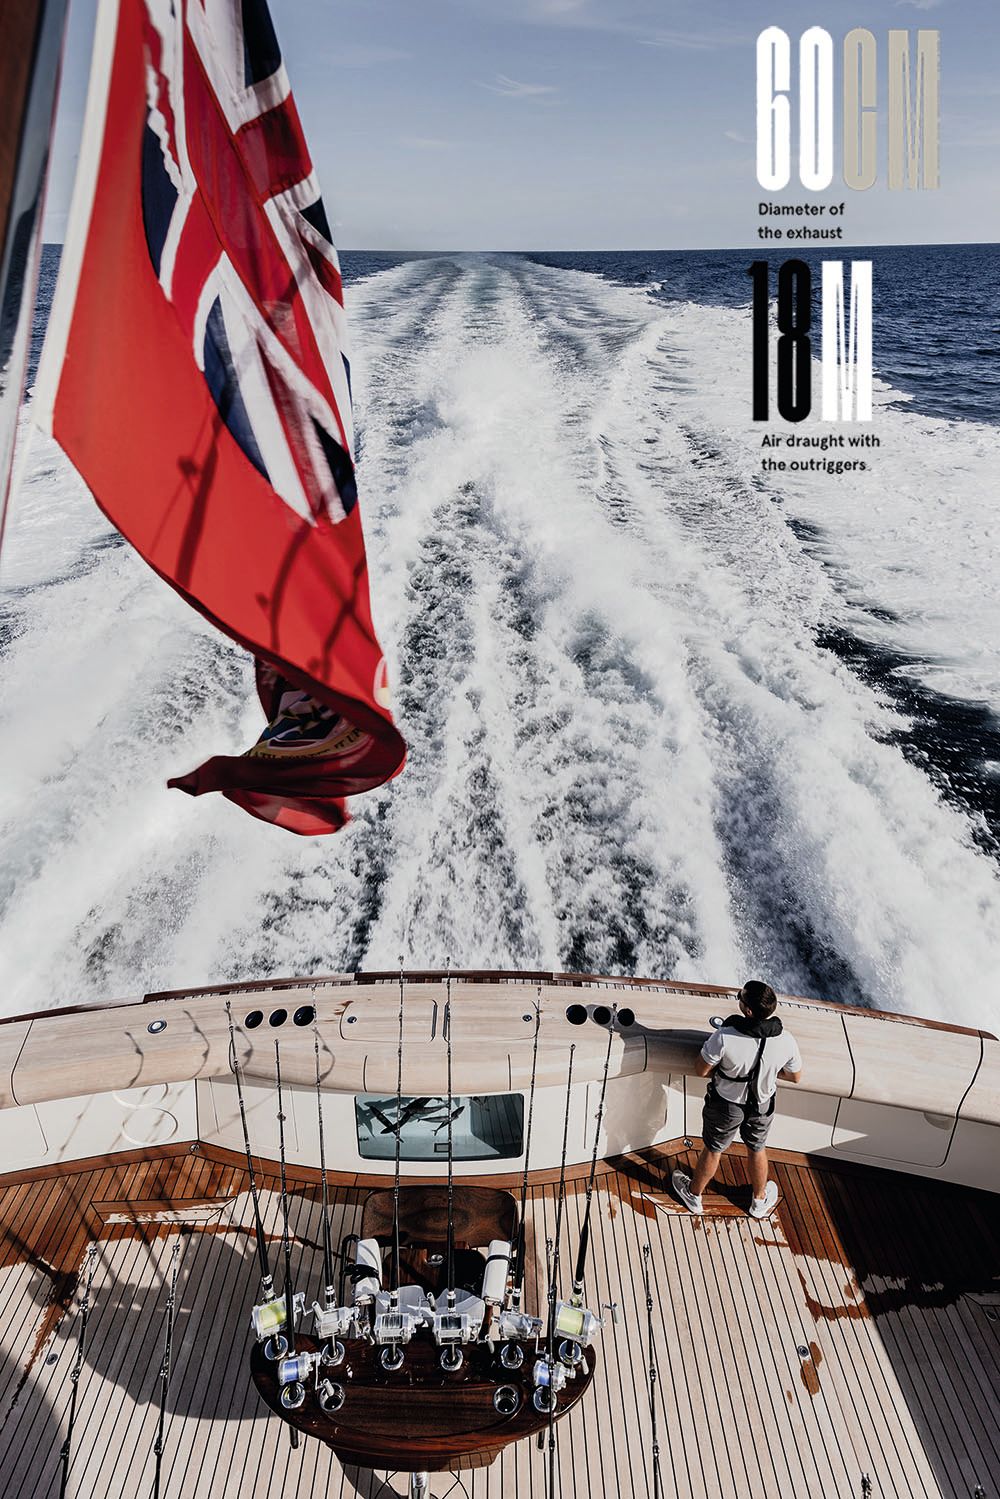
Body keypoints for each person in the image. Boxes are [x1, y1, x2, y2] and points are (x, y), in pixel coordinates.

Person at [672, 980, 802, 1219]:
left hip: (726, 1105)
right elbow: (795, 1076)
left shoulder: (724, 1037)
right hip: (762, 1105)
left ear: (748, 1011)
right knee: (757, 1148)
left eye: (740, 997)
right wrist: (768, 1072)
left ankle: (694, 1196)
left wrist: (728, 1072)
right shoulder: (786, 1040)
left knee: (713, 1149)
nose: (738, 1000)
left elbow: (701, 1069)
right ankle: (758, 1202)